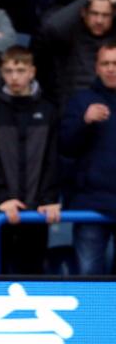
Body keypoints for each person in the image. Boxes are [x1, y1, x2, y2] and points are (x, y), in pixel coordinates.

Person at [0, 47, 60, 275]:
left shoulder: (48, 110)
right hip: (0, 210)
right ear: (1, 72)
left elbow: (54, 158)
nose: (14, 76)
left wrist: (49, 198)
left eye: (20, 70)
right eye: (9, 70)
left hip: (38, 210)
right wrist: (2, 198)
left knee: (34, 273)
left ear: (32, 71)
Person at [59, 43, 116, 275]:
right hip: (91, 204)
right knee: (89, 276)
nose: (111, 69)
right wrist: (84, 121)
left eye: (115, 64)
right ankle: (97, 314)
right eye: (105, 63)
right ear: (96, 67)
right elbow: (65, 146)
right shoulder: (81, 101)